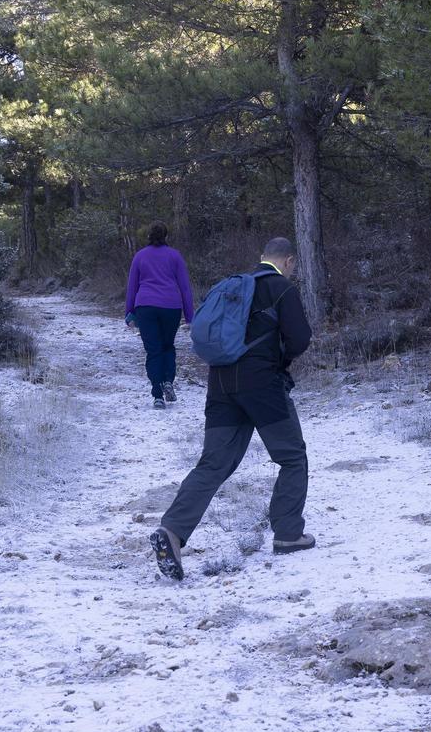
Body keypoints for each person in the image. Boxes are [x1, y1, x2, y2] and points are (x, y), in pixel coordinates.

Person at [149, 237, 316, 580]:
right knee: (292, 457)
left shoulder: (233, 286)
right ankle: (288, 533)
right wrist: (278, 359)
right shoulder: (282, 289)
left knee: (214, 463)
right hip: (262, 385)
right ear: (289, 261)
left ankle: (172, 531)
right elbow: (300, 338)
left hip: (221, 382)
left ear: (262, 256)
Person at [125, 222, 195, 409]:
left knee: (153, 350)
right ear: (166, 236)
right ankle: (168, 381)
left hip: (146, 306)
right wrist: (190, 316)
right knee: (167, 346)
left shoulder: (140, 256)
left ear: (149, 236)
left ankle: (157, 395)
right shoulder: (175, 255)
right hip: (171, 306)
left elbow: (132, 286)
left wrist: (129, 312)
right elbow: (185, 287)